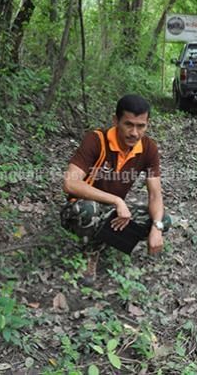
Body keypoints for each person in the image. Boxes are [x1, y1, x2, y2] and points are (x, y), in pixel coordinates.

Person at [61, 94, 170, 284]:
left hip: (111, 211)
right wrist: (117, 200)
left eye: (141, 126)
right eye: (128, 124)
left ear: (147, 124)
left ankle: (108, 237)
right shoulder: (96, 140)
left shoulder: (148, 148)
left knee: (163, 219)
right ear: (115, 121)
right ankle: (91, 252)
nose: (134, 133)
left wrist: (157, 228)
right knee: (88, 209)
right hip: (80, 208)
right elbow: (70, 183)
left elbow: (155, 194)